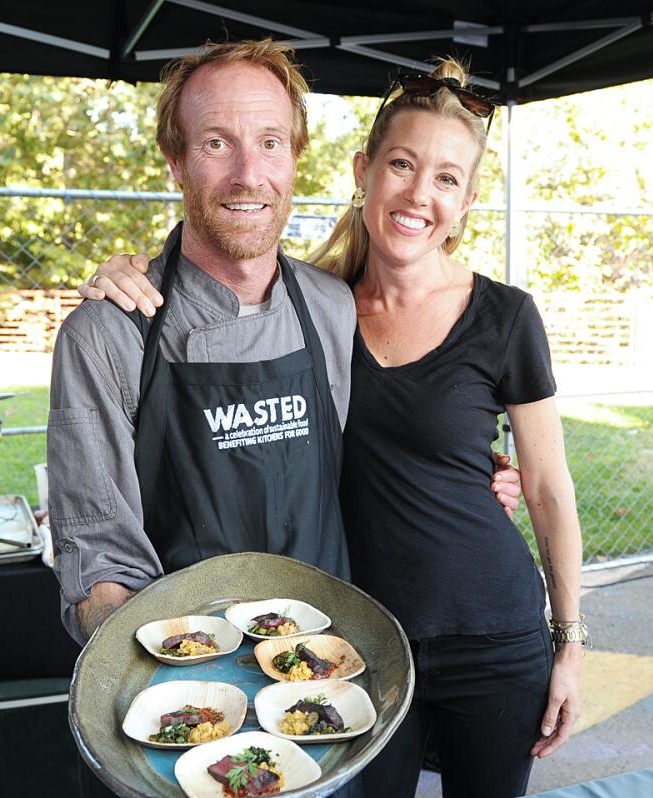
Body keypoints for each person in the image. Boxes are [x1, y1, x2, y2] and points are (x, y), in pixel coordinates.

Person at [82, 57, 584, 798]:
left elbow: (545, 485)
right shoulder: (314, 308)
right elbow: (216, 285)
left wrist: (569, 644)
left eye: (447, 178)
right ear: (363, 171)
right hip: (358, 643)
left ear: (470, 199)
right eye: (403, 165)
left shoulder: (505, 316)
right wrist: (123, 277)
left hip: (493, 633)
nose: (419, 194)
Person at [48, 39, 519, 647]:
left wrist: (478, 473)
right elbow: (98, 557)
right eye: (217, 143)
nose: (249, 174)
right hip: (186, 685)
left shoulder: (333, 305)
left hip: (331, 667)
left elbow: (392, 444)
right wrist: (162, 678)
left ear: (294, 157)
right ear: (175, 159)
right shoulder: (107, 334)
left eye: (270, 142)